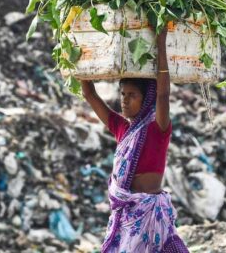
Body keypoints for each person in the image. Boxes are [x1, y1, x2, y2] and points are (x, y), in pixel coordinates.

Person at [81, 25, 189, 252]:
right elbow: (90, 95)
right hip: (127, 215)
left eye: (132, 95)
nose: (124, 101)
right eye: (122, 94)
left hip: (149, 212)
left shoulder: (157, 128)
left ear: (146, 98)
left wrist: (161, 40)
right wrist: (80, 51)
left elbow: (163, 93)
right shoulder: (122, 129)